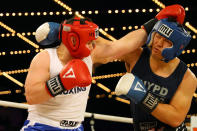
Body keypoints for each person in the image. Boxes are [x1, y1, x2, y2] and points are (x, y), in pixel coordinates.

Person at [20, 5, 184, 130]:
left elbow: (124, 45)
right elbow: (32, 97)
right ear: (73, 40)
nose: (93, 46)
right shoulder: (46, 58)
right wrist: (63, 81)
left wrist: (156, 20)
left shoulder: (89, 56)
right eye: (89, 42)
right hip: (42, 125)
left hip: (76, 127)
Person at [115, 4, 197, 131]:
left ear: (176, 47)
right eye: (157, 35)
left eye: (166, 41)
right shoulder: (135, 56)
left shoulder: (187, 77)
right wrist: (150, 25)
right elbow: (112, 49)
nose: (158, 43)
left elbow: (176, 118)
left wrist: (143, 96)